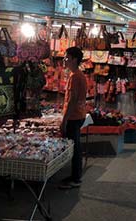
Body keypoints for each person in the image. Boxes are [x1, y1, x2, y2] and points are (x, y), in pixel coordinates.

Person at [59, 47, 87, 189]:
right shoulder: (78, 75)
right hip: (78, 114)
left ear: (74, 59)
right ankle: (75, 176)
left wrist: (64, 120)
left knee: (75, 148)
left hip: (74, 116)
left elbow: (72, 100)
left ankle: (76, 178)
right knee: (76, 146)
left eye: (67, 57)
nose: (64, 60)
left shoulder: (75, 76)